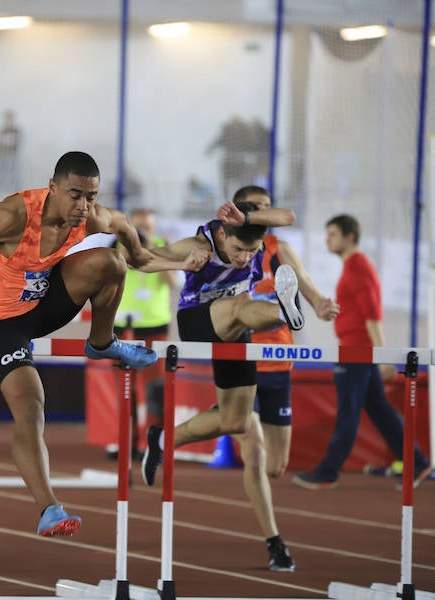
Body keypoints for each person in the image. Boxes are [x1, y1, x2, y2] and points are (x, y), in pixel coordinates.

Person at [0, 151, 202, 537]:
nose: (83, 206)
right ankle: (49, 509)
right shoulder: (11, 216)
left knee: (112, 263)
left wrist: (175, 263)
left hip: (43, 303)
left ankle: (102, 341)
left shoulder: (92, 216)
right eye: (75, 195)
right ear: (53, 187)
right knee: (30, 409)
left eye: (91, 196)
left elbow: (130, 242)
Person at [140, 195, 304, 571]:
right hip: (197, 320)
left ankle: (161, 439)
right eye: (238, 249)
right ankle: (281, 310)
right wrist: (180, 263)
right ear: (223, 233)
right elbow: (143, 260)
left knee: (236, 422)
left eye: (252, 251)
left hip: (235, 329)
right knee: (241, 306)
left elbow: (289, 215)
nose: (245, 257)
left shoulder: (255, 238)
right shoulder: (201, 244)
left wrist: (250, 218)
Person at [232, 186, 339, 571]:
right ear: (241, 212)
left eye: (266, 209)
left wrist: (322, 305)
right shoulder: (226, 246)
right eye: (255, 210)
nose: (264, 215)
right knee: (255, 453)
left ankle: (281, 309)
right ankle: (275, 542)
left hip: (278, 362)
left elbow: (309, 285)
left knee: (276, 464)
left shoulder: (278, 249)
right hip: (241, 361)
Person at [291, 214, 431, 491]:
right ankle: (417, 461)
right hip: (356, 350)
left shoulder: (359, 268)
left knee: (348, 412)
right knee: (379, 411)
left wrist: (382, 357)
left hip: (358, 353)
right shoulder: (353, 267)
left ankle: (328, 471)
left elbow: (372, 315)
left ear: (349, 237)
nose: (327, 239)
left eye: (332, 234)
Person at [111, 208, 176, 457]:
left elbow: (173, 283)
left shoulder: (162, 246)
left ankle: (153, 446)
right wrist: (131, 248)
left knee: (155, 390)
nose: (142, 233)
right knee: (126, 390)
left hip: (154, 327)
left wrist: (150, 251)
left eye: (147, 228)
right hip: (119, 328)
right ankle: (126, 444)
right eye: (138, 229)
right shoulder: (116, 247)